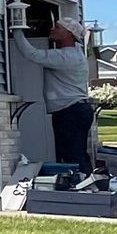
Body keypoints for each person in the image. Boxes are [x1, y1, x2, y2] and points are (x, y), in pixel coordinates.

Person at [13, 14, 95, 167]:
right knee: (78, 154)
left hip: (70, 112)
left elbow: (32, 54)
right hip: (78, 109)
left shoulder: (65, 57)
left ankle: (78, 188)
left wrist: (16, 28)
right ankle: (87, 185)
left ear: (69, 34)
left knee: (72, 158)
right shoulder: (76, 54)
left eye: (58, 27)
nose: (53, 29)